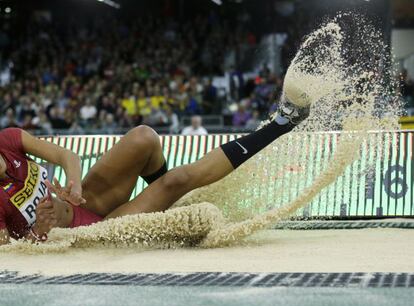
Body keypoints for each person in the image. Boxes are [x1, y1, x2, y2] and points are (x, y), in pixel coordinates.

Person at [0, 94, 310, 245]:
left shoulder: (9, 139)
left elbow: (66, 154)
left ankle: (165, 203)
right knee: (177, 179)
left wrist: (74, 184)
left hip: (84, 201)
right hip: (85, 234)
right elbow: (12, 255)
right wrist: (38, 232)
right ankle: (281, 125)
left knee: (143, 137)